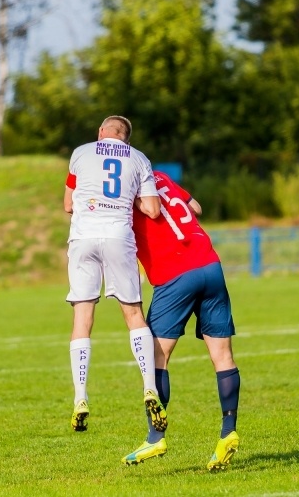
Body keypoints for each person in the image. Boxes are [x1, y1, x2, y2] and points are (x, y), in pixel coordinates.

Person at [122, 170, 240, 471]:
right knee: (223, 355)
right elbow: (196, 208)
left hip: (174, 274)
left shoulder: (122, 188)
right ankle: (228, 432)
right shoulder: (158, 175)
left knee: (156, 356)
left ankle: (155, 436)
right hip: (210, 265)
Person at [63, 116, 166, 433]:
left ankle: (80, 397)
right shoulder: (139, 159)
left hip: (83, 237)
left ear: (101, 133)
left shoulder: (80, 153)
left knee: (83, 317)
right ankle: (149, 387)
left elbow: (68, 204)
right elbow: (152, 209)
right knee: (133, 314)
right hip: (119, 236)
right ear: (127, 139)